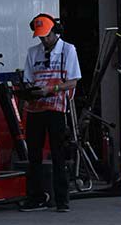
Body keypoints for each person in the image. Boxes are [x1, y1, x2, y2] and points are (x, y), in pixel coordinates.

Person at [19, 14, 81, 212]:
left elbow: (73, 82)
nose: (43, 40)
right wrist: (29, 92)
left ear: (56, 32)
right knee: (34, 155)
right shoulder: (33, 52)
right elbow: (28, 80)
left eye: (46, 36)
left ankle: (62, 200)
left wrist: (50, 90)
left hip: (57, 109)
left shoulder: (68, 50)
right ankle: (36, 197)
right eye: (40, 37)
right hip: (35, 108)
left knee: (58, 154)